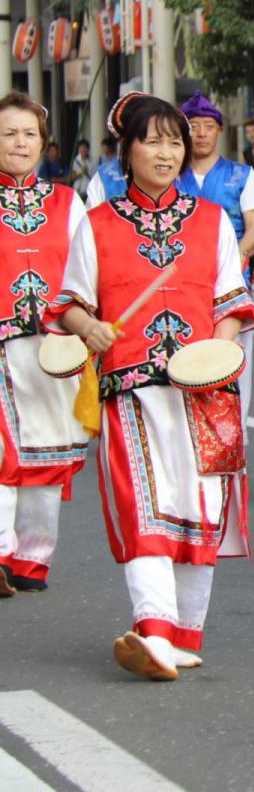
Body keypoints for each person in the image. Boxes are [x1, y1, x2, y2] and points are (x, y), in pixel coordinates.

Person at [47, 93, 254, 680]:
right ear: (128, 151)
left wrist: (216, 354)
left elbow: (231, 301)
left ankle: (184, 634)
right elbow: (70, 301)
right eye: (153, 141)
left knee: (201, 504)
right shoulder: (96, 225)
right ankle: (156, 631)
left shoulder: (212, 221)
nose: (166, 153)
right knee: (142, 502)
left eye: (175, 142)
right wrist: (89, 326)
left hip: (205, 391)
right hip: (131, 387)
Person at [0, 92, 89, 597]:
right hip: (2, 348)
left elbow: (88, 270)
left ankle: (32, 559)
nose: (20, 142)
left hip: (54, 349)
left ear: (43, 142)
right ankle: (0, 551)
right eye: (9, 133)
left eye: (29, 134)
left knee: (46, 452)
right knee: (2, 449)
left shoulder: (68, 203)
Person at [177, 91, 254, 426]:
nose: (201, 133)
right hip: (184, 285)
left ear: (219, 130)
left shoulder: (242, 175)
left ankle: (236, 436)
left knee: (233, 364)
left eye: (208, 126)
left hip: (231, 286)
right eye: (193, 125)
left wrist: (231, 260)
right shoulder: (171, 176)